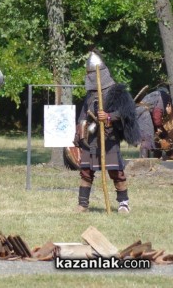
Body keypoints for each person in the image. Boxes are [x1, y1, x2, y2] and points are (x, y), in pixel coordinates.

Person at [74, 50, 140, 213]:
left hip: (109, 138)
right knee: (86, 171)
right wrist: (79, 131)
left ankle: (123, 203)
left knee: (116, 171)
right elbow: (83, 114)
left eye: (91, 73)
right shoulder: (90, 95)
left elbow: (127, 112)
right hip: (92, 138)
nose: (89, 77)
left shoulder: (116, 91)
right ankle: (83, 204)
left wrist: (109, 116)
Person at [135, 87, 172, 158]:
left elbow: (154, 118)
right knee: (147, 137)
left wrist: (159, 130)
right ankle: (144, 162)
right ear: (169, 104)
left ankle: (145, 159)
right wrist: (160, 128)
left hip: (139, 112)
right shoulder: (165, 98)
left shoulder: (155, 96)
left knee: (147, 137)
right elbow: (157, 115)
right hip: (143, 113)